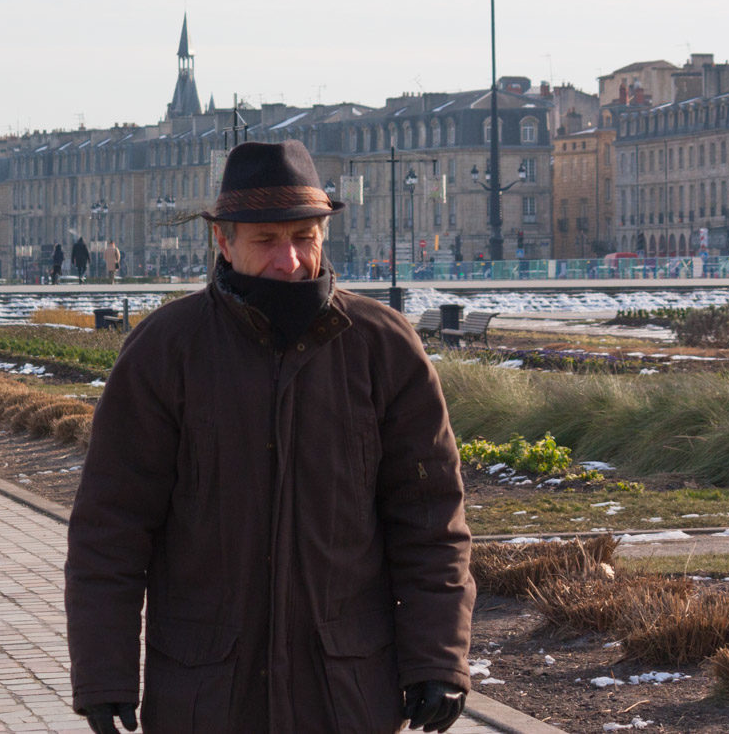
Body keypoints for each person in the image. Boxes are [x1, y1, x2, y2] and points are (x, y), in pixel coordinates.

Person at [65, 140, 473, 734]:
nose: (290, 261)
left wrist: (438, 658)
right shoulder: (166, 350)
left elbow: (431, 519)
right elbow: (112, 527)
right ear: (223, 242)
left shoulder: (382, 346)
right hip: (207, 696)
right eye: (266, 240)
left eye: (304, 237)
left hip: (346, 695)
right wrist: (104, 675)